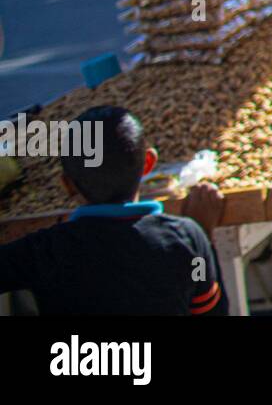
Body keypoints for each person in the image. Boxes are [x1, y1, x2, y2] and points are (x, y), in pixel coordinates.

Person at [0, 106, 228, 315]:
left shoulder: (45, 251)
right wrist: (204, 235)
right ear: (148, 164)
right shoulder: (187, 238)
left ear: (67, 185)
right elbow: (212, 309)